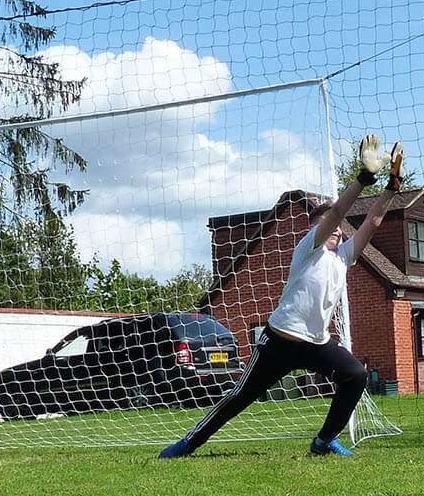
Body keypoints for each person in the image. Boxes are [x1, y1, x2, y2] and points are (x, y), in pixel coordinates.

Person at [160, 134, 404, 460]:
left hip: (317, 343)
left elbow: (372, 224)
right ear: (317, 228)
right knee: (240, 397)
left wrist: (392, 186)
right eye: (332, 226)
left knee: (355, 375)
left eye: (340, 229)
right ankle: (189, 443)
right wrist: (363, 177)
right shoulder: (309, 249)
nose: (339, 230)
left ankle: (324, 441)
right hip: (280, 341)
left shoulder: (342, 257)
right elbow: (334, 215)